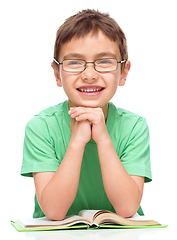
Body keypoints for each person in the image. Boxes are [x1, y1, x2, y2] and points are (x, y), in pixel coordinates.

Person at [21, 9, 152, 221]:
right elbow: (54, 212)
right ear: (57, 74)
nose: (89, 75)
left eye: (104, 62)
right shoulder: (41, 127)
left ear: (124, 73)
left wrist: (102, 138)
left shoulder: (134, 127)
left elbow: (127, 208)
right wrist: (77, 141)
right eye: (74, 62)